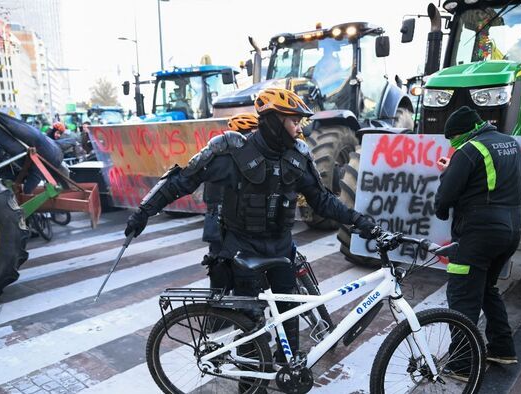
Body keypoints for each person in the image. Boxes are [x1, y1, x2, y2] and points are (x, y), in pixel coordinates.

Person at [125, 88, 378, 363]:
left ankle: (287, 371)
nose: (299, 128)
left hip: (281, 250)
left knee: (289, 319)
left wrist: (359, 221)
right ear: (273, 120)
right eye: (294, 121)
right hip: (242, 253)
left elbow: (323, 201)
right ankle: (250, 383)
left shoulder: (299, 155)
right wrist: (143, 212)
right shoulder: (231, 151)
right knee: (251, 327)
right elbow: (182, 180)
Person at [435, 106, 521, 381]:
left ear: (460, 133)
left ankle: (462, 364)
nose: (452, 144)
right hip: (510, 231)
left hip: (478, 235)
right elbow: (489, 183)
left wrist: (448, 174)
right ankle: (502, 348)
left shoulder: (468, 150)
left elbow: (444, 198)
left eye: (453, 139)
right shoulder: (508, 143)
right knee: (486, 289)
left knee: (462, 296)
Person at [202, 113, 259, 293]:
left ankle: (220, 315)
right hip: (229, 224)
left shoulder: (217, 153)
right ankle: (242, 315)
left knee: (220, 275)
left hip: (214, 222)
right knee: (242, 273)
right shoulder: (240, 157)